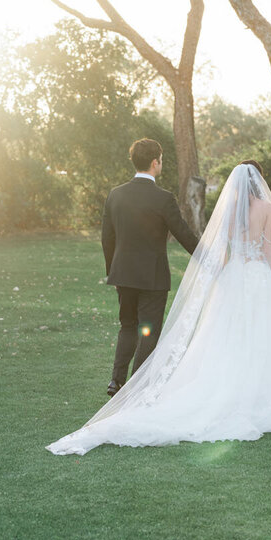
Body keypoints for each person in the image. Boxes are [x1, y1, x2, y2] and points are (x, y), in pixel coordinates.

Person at [48, 160, 271, 456]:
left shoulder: (230, 212)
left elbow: (221, 252)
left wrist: (217, 280)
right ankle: (257, 395)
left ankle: (137, 381)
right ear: (259, 182)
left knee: (224, 337)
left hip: (234, 276)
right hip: (258, 278)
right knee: (258, 336)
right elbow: (270, 253)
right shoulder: (267, 208)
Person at [100, 138, 200, 397]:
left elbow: (107, 239)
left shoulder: (116, 194)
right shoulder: (163, 198)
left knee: (128, 325)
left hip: (123, 274)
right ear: (155, 162)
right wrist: (209, 257)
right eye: (162, 160)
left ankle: (116, 381)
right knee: (149, 331)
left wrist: (113, 270)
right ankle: (136, 387)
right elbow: (184, 234)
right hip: (152, 277)